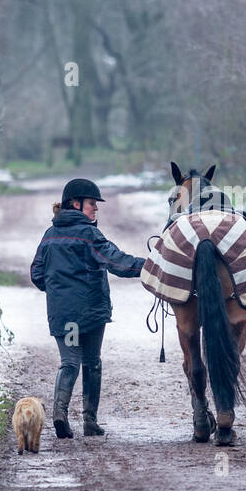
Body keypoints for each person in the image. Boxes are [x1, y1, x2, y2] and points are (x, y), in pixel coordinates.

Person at [29, 178, 147, 438]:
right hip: (91, 314)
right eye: (92, 204)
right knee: (92, 363)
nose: (96, 209)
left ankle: (60, 413)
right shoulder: (89, 234)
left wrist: (60, 292)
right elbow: (116, 262)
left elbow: (36, 274)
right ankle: (89, 422)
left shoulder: (49, 235)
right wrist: (151, 266)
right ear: (76, 203)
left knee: (69, 362)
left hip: (64, 315)